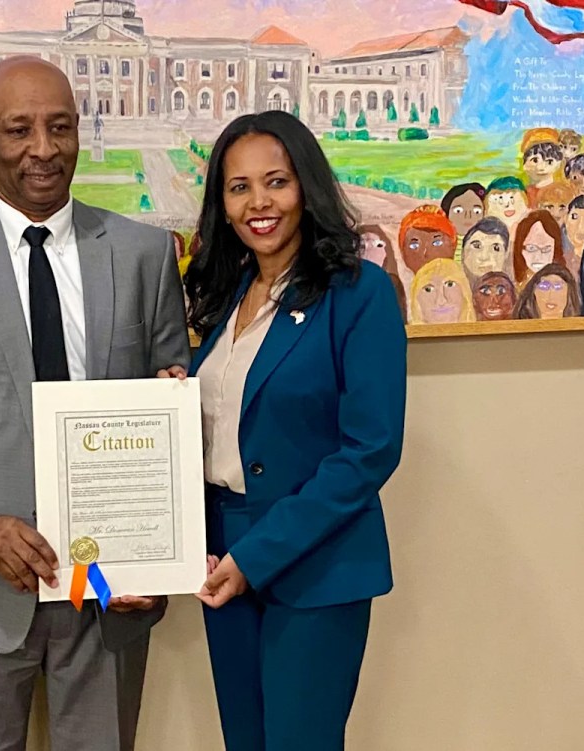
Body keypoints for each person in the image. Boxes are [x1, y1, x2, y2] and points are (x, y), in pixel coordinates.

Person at [0, 56, 190, 751]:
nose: (43, 149)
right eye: (18, 129)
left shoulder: (142, 253)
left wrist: (155, 552)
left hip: (111, 593)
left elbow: (173, 402)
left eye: (60, 127)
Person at [168, 110, 406, 750]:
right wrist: (175, 402)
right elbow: (237, 422)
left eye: (276, 181)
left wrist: (258, 556)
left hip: (315, 562)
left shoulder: (361, 293)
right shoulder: (229, 294)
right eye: (238, 187)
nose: (258, 203)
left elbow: (370, 450)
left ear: (307, 187)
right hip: (225, 557)